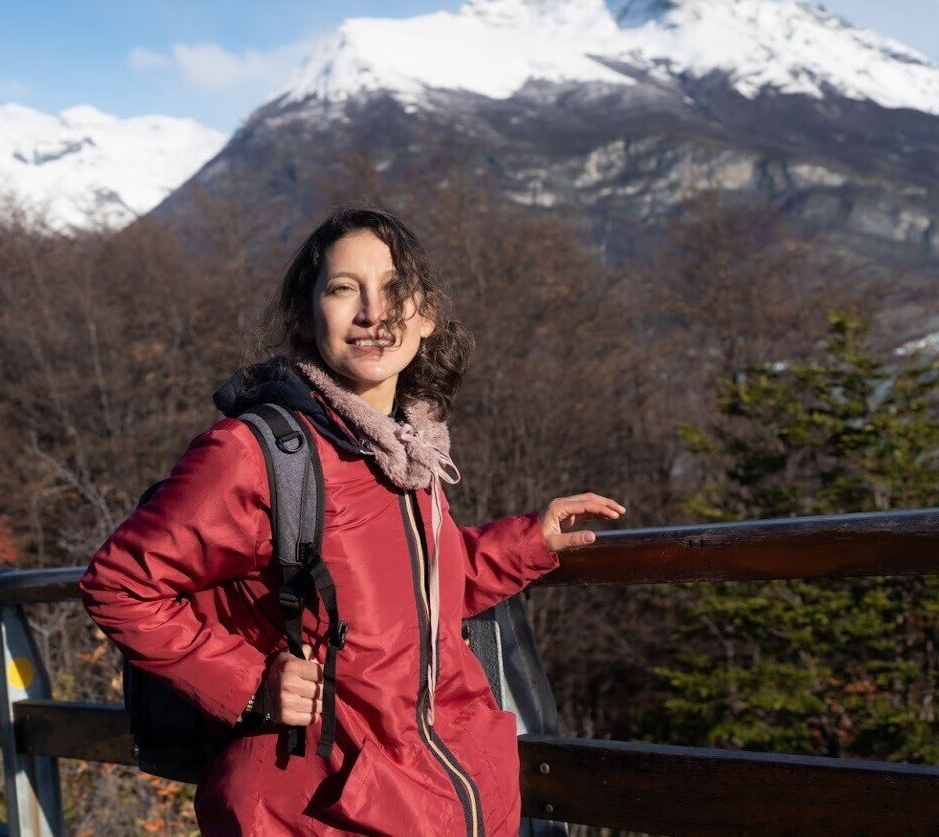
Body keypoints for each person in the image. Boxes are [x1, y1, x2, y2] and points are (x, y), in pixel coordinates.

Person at [79, 204, 625, 836]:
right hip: (319, 812)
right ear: (308, 317)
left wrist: (530, 542)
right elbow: (119, 585)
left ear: (426, 317)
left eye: (395, 290)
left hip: (450, 799)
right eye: (344, 289)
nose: (373, 312)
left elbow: (412, 598)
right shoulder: (256, 453)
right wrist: (250, 684)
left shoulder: (409, 450)